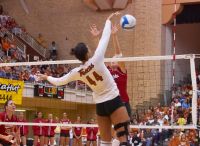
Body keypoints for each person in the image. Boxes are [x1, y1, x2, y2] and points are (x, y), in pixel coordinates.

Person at [37, 12, 130, 146]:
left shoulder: (77, 72)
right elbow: (105, 38)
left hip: (100, 106)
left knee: (105, 142)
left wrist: (46, 76)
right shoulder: (97, 59)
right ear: (87, 52)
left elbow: (59, 81)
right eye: (87, 46)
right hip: (113, 100)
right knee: (124, 139)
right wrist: (108, 20)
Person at [90, 22, 131, 118]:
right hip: (110, 103)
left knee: (124, 130)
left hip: (123, 103)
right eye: (111, 59)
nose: (113, 59)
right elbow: (99, 53)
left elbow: (118, 54)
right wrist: (96, 38)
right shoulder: (107, 70)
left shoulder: (122, 71)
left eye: (115, 59)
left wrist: (114, 35)